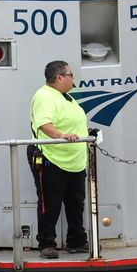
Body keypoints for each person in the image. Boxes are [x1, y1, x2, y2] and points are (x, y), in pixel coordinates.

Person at [29, 60, 89, 259]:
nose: (73, 79)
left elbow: (71, 120)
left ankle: (77, 241)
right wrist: (59, 136)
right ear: (59, 77)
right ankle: (46, 244)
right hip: (50, 158)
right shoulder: (44, 96)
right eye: (71, 75)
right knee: (50, 203)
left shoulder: (66, 97)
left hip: (74, 160)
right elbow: (45, 124)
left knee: (76, 203)